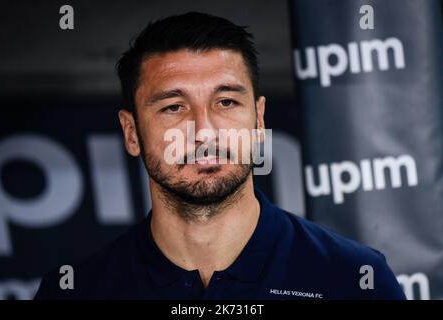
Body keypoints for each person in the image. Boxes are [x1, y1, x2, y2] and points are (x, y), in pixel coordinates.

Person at [35, 12, 406, 300]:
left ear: (258, 120)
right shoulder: (76, 290)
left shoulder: (354, 279)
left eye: (226, 102)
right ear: (132, 132)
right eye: (174, 107)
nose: (205, 130)